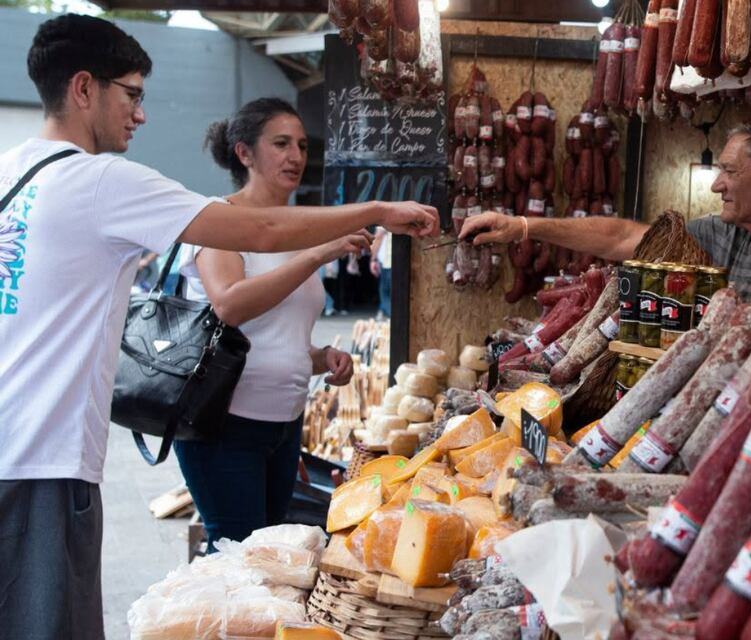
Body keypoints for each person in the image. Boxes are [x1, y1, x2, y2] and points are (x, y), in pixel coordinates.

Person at [0, 14, 436, 640]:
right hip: (42, 459)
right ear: (83, 89)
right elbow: (256, 231)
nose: (141, 114)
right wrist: (376, 210)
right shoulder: (95, 180)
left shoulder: (12, 172)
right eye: (133, 94)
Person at [176, 98, 360, 551]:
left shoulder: (300, 230)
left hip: (284, 425)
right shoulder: (218, 221)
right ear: (244, 153)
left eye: (301, 145)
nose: (296, 156)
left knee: (271, 560)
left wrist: (322, 358)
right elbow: (231, 307)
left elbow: (277, 336)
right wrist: (319, 253)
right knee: (237, 560)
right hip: (224, 427)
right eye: (280, 144)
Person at [461, 116, 751, 300]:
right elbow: (621, 237)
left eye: (730, 172)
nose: (717, 185)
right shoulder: (722, 233)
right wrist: (522, 226)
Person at [371, 226, 392, 319]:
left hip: (388, 262)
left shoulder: (385, 215)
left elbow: (378, 237)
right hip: (395, 261)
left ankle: (393, 317)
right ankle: (382, 312)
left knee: (385, 292)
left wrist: (373, 259)